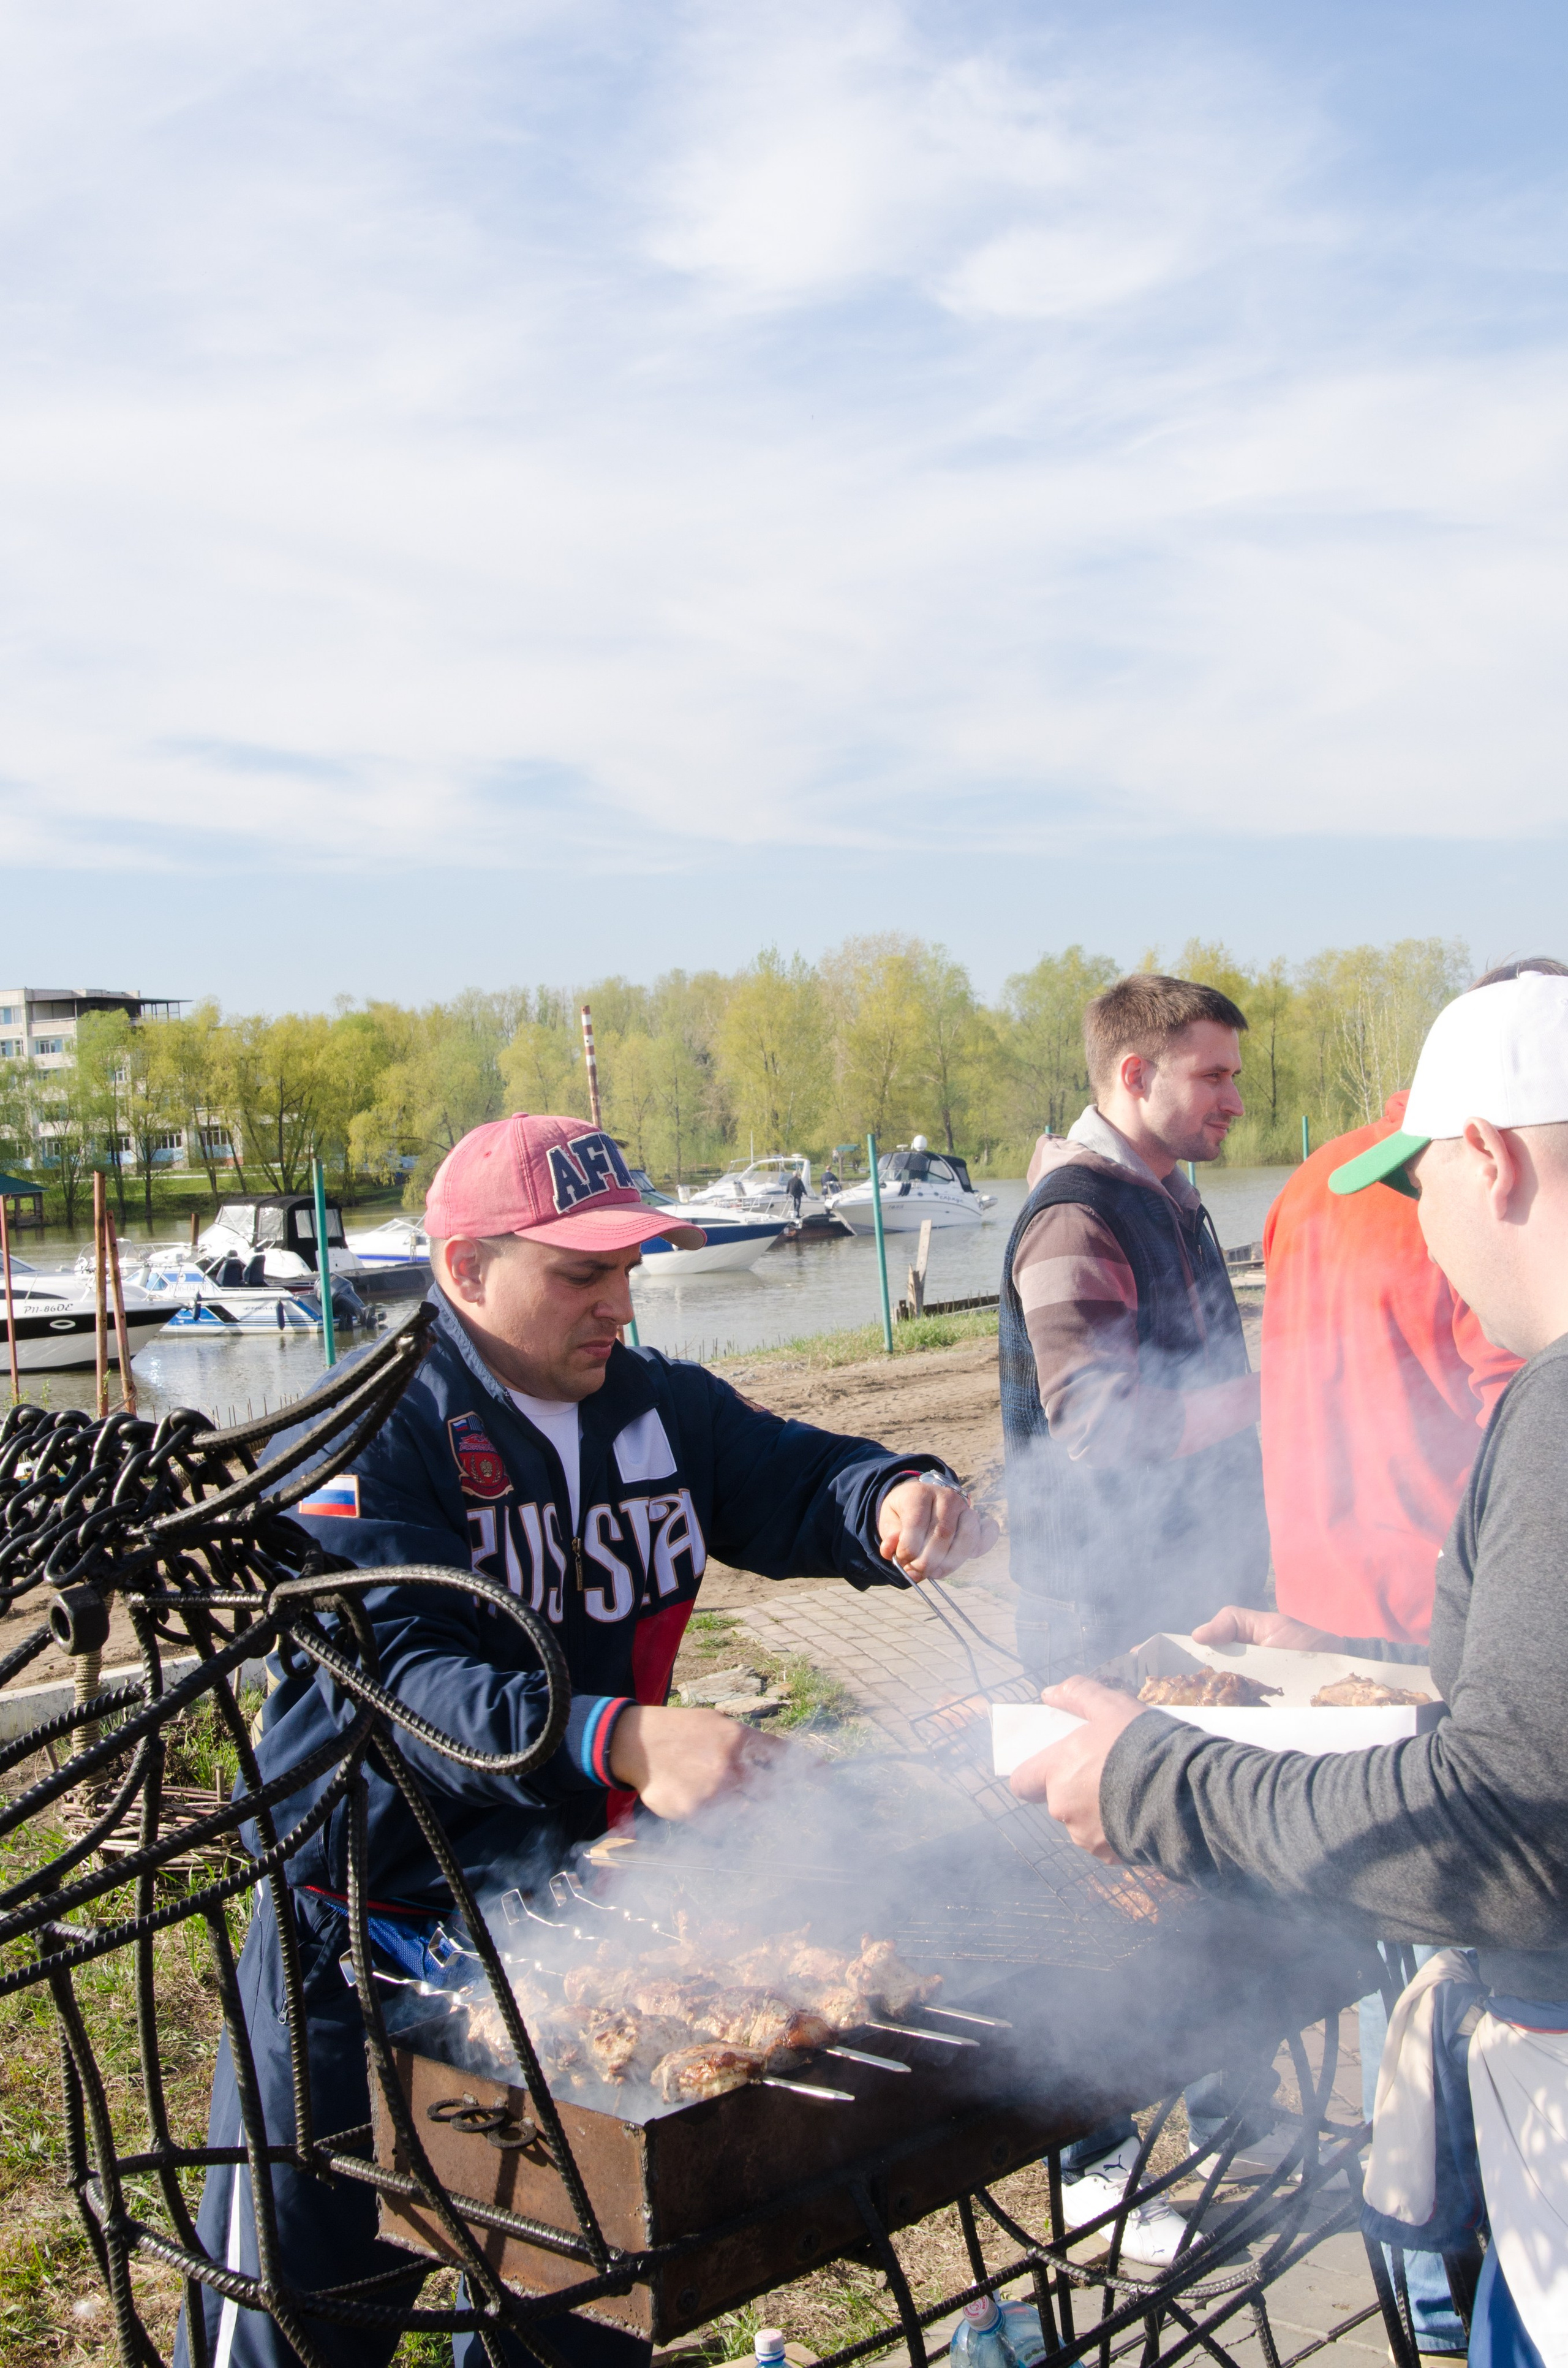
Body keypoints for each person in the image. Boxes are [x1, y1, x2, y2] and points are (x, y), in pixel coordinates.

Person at [178, 1113, 996, 2368]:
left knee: (573, 2318)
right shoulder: (368, 1434)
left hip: (563, 1947)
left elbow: (788, 1474)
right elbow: (399, 1673)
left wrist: (888, 1492)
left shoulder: (654, 1403)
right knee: (294, 2331)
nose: (617, 1300)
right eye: (579, 1272)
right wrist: (617, 1741)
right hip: (361, 1947)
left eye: (628, 1266)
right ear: (464, 1268)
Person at [1011, 969, 1568, 2368]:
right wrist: (1362, 1659)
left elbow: (1508, 1831)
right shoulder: (1084, 1207)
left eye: (1420, 1185)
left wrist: (1154, 1780)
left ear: (1488, 1158)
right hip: (1129, 1603)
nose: (1421, 1229)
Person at [997, 975, 1270, 2258]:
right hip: (1095, 1612)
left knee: (1201, 1865)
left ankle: (1219, 2093)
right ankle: (1090, 2178)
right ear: (1132, 1075)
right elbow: (1098, 1432)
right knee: (1103, 1897)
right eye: (1208, 1077)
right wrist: (1271, 1396)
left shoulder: (1164, 1191)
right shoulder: (1074, 1214)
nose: (1230, 1098)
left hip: (1184, 1594)